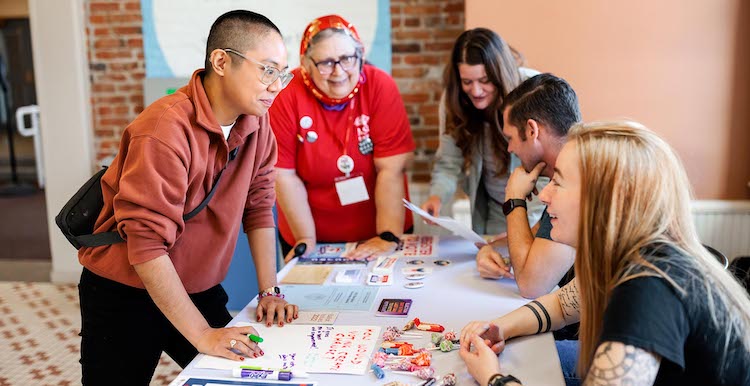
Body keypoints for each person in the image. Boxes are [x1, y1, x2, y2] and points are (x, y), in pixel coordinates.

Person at [77, 11, 299, 385]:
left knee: (246, 373)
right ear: (222, 61)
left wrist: (270, 291)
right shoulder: (164, 128)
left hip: (197, 285)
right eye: (267, 70)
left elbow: (260, 208)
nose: (276, 85)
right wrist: (201, 335)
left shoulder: (257, 124)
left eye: (283, 73)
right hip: (126, 289)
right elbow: (146, 246)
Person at [459, 121, 750, 385]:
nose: (545, 195)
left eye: (558, 182)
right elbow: (562, 306)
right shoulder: (626, 253)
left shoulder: (648, 285)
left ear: (608, 200)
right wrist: (500, 327)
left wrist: (493, 379)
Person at [269, 14, 415, 261]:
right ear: (305, 63)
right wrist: (306, 239)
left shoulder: (380, 86)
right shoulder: (286, 94)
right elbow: (283, 175)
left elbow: (391, 169)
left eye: (347, 59)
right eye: (325, 62)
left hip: (380, 231)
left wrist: (388, 236)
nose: (338, 72)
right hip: (311, 235)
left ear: (360, 54)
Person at [421, 28, 545, 236]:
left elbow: (548, 168)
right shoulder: (454, 100)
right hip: (495, 209)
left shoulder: (532, 90)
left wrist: (524, 224)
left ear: (499, 72)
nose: (476, 91)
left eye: (485, 80)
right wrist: (437, 196)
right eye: (467, 82)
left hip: (538, 209)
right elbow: (449, 163)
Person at [476, 73, 580, 299]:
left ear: (532, 131)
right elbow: (534, 242)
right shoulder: (561, 177)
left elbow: (531, 285)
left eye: (510, 138)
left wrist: (514, 198)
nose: (510, 149)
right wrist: (492, 249)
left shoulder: (579, 180)